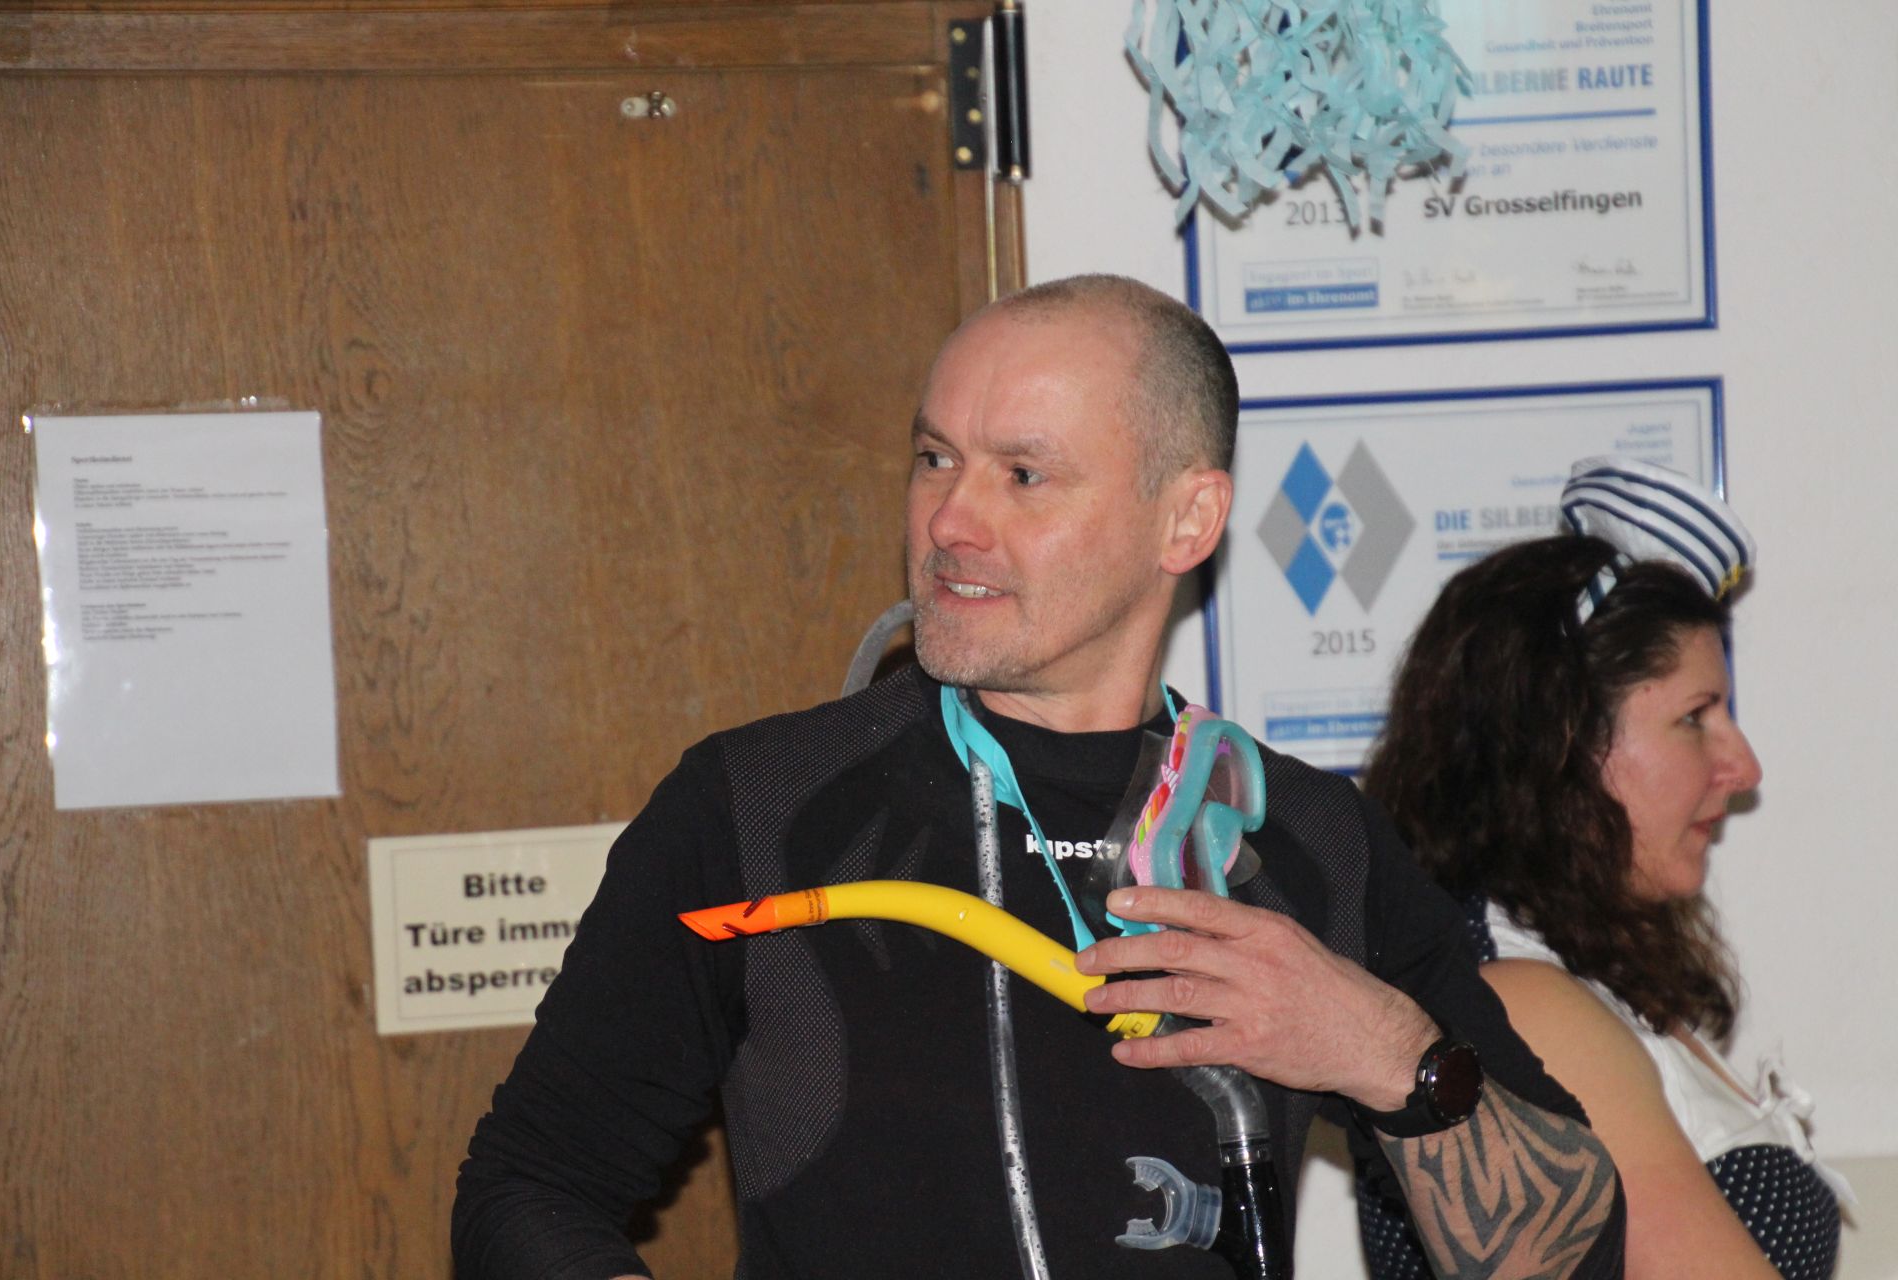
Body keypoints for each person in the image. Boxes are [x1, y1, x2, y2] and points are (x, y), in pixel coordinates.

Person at [451, 275, 1626, 1279]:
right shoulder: (755, 808)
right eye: (934, 458)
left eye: (1023, 474)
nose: (950, 520)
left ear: (1187, 518)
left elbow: (1580, 1251)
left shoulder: (1311, 837)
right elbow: (530, 1184)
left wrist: (1387, 1052)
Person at [1356, 458, 1850, 1280]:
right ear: (1560, 744)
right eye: (1695, 718)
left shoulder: (1572, 975)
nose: (1743, 767)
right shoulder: (1522, 1009)